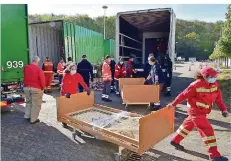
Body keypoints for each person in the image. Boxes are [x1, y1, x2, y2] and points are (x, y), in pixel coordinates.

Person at [167, 67, 229, 161]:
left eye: (215, 76)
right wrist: (173, 104)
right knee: (207, 131)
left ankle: (175, 140)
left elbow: (218, 99)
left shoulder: (215, 85)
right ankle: (214, 156)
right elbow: (183, 95)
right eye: (212, 76)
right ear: (205, 76)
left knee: (187, 125)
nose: (214, 77)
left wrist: (224, 109)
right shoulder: (195, 85)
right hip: (195, 111)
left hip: (203, 112)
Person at [61, 63, 91, 128]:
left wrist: (87, 89)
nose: (74, 70)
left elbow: (82, 83)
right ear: (69, 69)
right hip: (65, 94)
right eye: (72, 69)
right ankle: (64, 121)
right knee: (65, 108)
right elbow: (63, 85)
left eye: (75, 69)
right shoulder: (66, 75)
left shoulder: (77, 75)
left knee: (72, 108)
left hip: (73, 94)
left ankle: (72, 120)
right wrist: (66, 93)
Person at [23, 56, 45, 124]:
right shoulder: (38, 69)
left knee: (28, 102)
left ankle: (27, 116)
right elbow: (42, 80)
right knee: (36, 104)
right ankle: (33, 119)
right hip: (36, 88)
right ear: (37, 62)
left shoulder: (26, 68)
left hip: (26, 87)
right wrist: (43, 88)